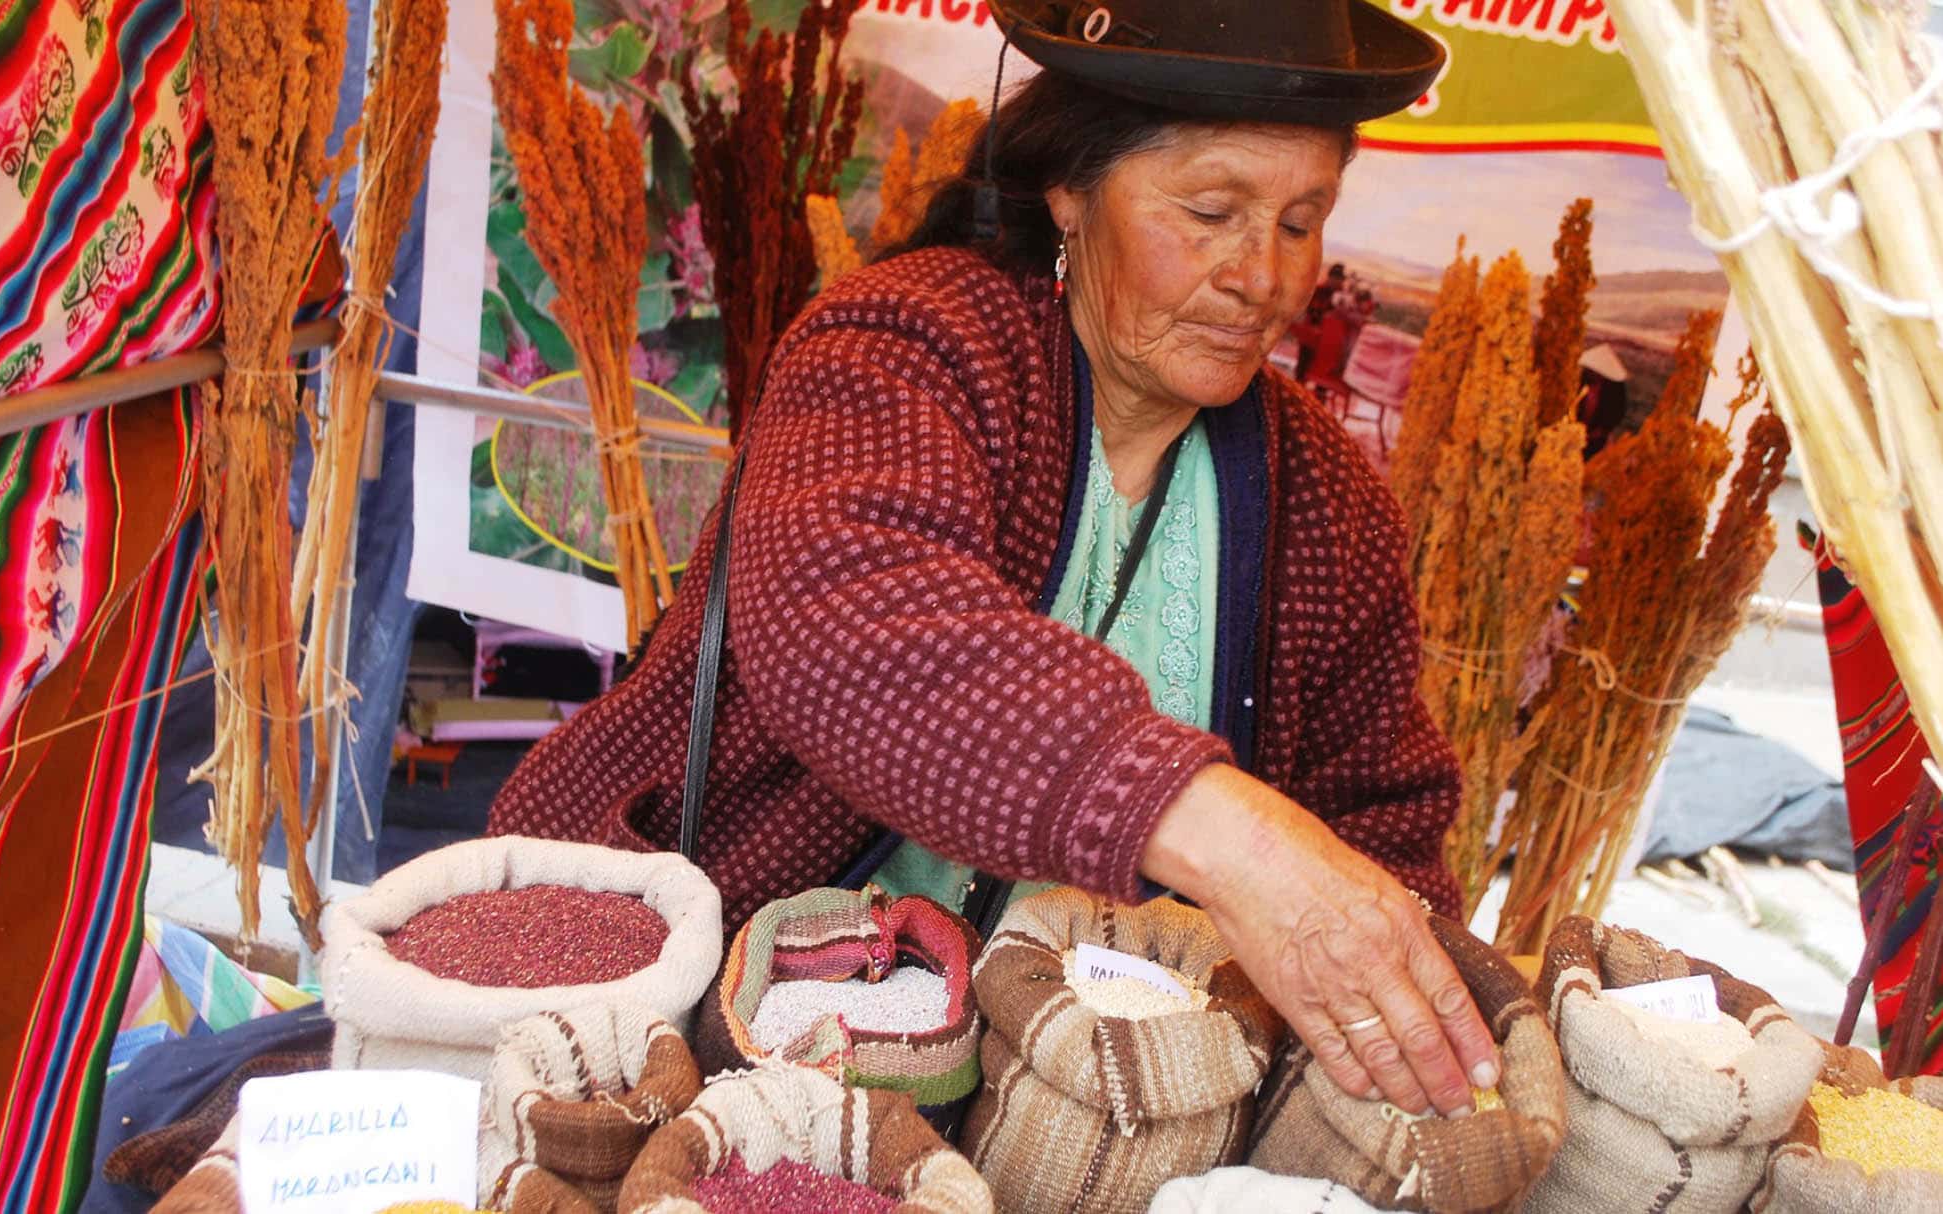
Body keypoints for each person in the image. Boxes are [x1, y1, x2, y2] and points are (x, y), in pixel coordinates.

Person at [490, 0, 1499, 1118]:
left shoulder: (1323, 500)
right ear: (1070, 187)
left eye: (1302, 222)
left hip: (1069, 1107)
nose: (1262, 276)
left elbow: (1383, 825)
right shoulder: (912, 344)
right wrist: (1238, 841)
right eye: (1211, 212)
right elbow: (847, 617)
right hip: (701, 1039)